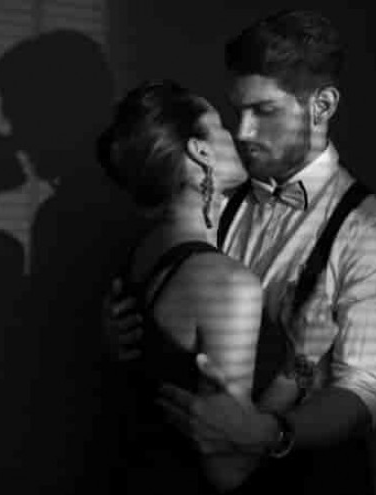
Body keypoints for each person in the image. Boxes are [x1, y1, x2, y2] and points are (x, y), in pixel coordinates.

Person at [102, 9, 376, 494]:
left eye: (264, 111)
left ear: (322, 106)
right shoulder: (210, 205)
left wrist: (272, 433)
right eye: (237, 112)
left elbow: (365, 388)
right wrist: (123, 335)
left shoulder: (373, 234)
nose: (244, 132)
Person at [97, 80, 293, 493]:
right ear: (200, 152)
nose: (235, 135)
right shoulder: (227, 286)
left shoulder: (140, 256)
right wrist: (299, 370)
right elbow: (228, 471)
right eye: (219, 126)